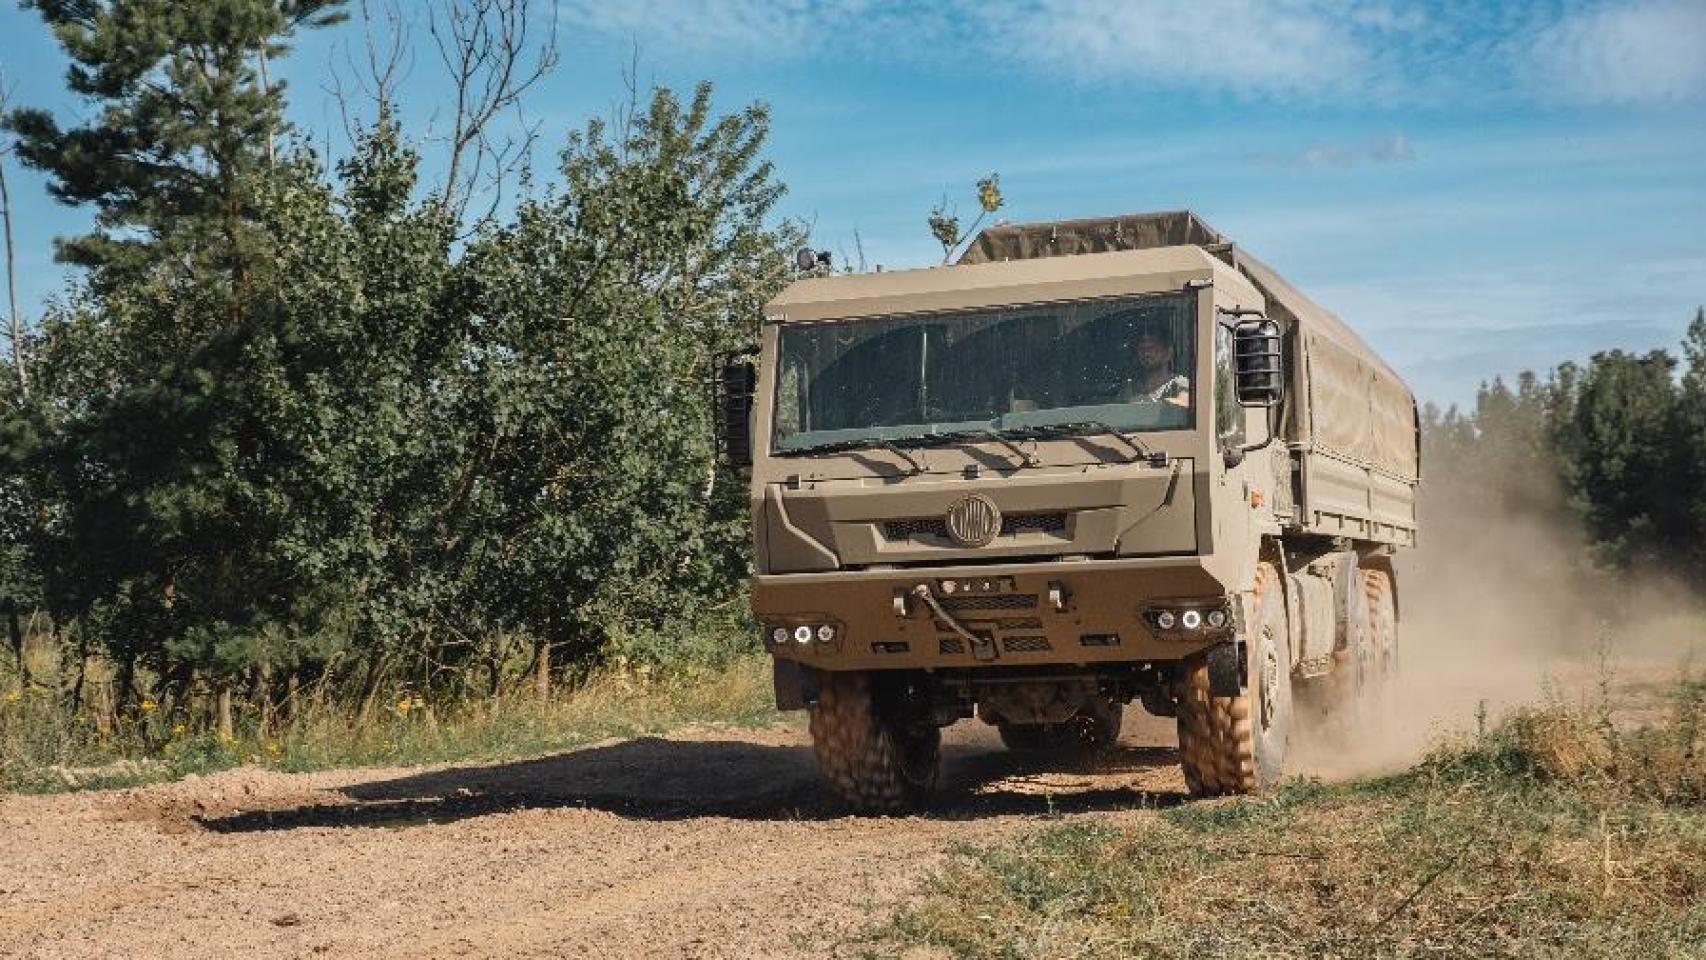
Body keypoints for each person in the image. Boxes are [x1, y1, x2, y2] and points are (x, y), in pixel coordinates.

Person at [1126, 323, 1190, 407]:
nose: (1146, 353)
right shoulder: (1130, 388)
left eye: (1152, 348)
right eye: (1142, 348)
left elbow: (1185, 403)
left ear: (1168, 353)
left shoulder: (1178, 383)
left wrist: (1153, 405)